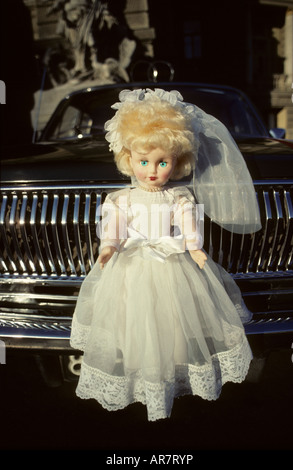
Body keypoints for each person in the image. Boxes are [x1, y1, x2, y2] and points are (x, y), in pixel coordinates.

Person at [70, 88, 261, 421]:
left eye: (162, 161)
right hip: (131, 268)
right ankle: (140, 372)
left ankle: (169, 376)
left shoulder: (180, 196)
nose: (153, 170)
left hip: (173, 266)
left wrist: (196, 250)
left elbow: (189, 229)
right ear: (129, 159)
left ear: (178, 160)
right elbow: (113, 230)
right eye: (143, 162)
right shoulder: (122, 199)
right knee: (134, 322)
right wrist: (107, 249)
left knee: (173, 321)